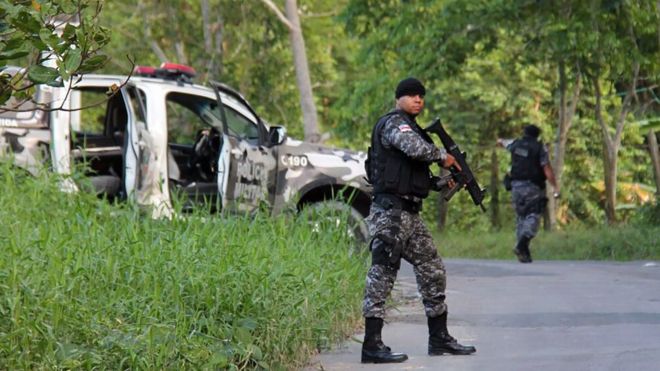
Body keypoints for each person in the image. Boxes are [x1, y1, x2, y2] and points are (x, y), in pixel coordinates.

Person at [361, 77, 476, 364]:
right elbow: (413, 148)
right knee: (383, 274)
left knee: (432, 268)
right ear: (399, 98)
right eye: (411, 95)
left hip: (410, 213)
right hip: (390, 213)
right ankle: (371, 345)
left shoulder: (416, 130)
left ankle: (439, 338)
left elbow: (418, 176)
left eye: (421, 96)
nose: (418, 100)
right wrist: (443, 156)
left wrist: (445, 183)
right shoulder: (394, 124)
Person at [497, 125, 559, 263]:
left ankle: (523, 252)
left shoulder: (515, 144)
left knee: (521, 217)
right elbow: (546, 168)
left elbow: (502, 142)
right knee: (533, 215)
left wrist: (499, 141)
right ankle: (522, 244)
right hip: (533, 186)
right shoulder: (539, 147)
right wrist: (555, 186)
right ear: (537, 135)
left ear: (524, 133)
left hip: (515, 186)